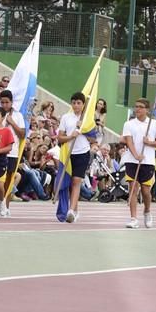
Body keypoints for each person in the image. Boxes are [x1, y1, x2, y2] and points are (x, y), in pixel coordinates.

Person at [123, 98, 156, 229]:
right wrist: (136, 155)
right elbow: (129, 142)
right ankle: (133, 218)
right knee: (133, 188)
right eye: (136, 106)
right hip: (132, 160)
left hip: (148, 162)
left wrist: (149, 143)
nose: (138, 109)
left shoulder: (154, 124)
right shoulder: (129, 124)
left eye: (140, 107)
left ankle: (147, 211)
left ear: (147, 109)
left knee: (146, 191)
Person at [57, 92, 93, 223]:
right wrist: (71, 136)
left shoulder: (88, 119)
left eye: (79, 103)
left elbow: (93, 138)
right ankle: (75, 209)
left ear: (83, 105)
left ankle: (71, 210)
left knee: (76, 181)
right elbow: (60, 137)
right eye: (74, 103)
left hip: (83, 153)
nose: (76, 105)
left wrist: (83, 129)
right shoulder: (66, 117)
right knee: (69, 183)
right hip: (68, 153)